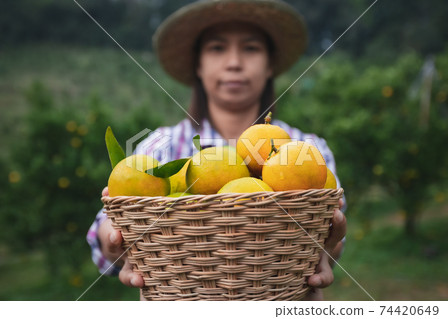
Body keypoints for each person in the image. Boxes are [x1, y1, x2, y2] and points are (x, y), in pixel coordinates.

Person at [87, 0, 347, 301]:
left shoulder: (308, 149)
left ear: (270, 64)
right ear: (198, 64)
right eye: (217, 48)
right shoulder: (160, 147)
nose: (234, 62)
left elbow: (332, 231)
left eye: (250, 48)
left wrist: (327, 250)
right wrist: (115, 241)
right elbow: (102, 233)